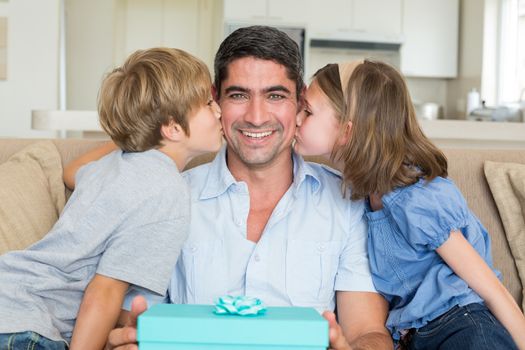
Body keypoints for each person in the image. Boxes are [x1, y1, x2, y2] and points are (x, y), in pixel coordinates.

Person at [64, 27, 393, 350]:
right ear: (213, 99)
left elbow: (366, 332)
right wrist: (124, 339)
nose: (256, 116)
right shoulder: (167, 198)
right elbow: (131, 321)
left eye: (275, 95)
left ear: (300, 101)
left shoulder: (346, 200)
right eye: (238, 95)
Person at [0, 47, 222, 350]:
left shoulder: (117, 163)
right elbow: (104, 292)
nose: (219, 111)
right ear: (172, 127)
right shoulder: (166, 190)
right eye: (208, 104)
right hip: (29, 326)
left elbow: (71, 173)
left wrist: (133, 134)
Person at [294, 59, 525, 349]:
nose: (296, 118)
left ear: (347, 131)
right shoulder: (364, 195)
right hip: (421, 337)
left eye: (308, 111)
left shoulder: (416, 199)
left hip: (464, 329)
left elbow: (491, 289)